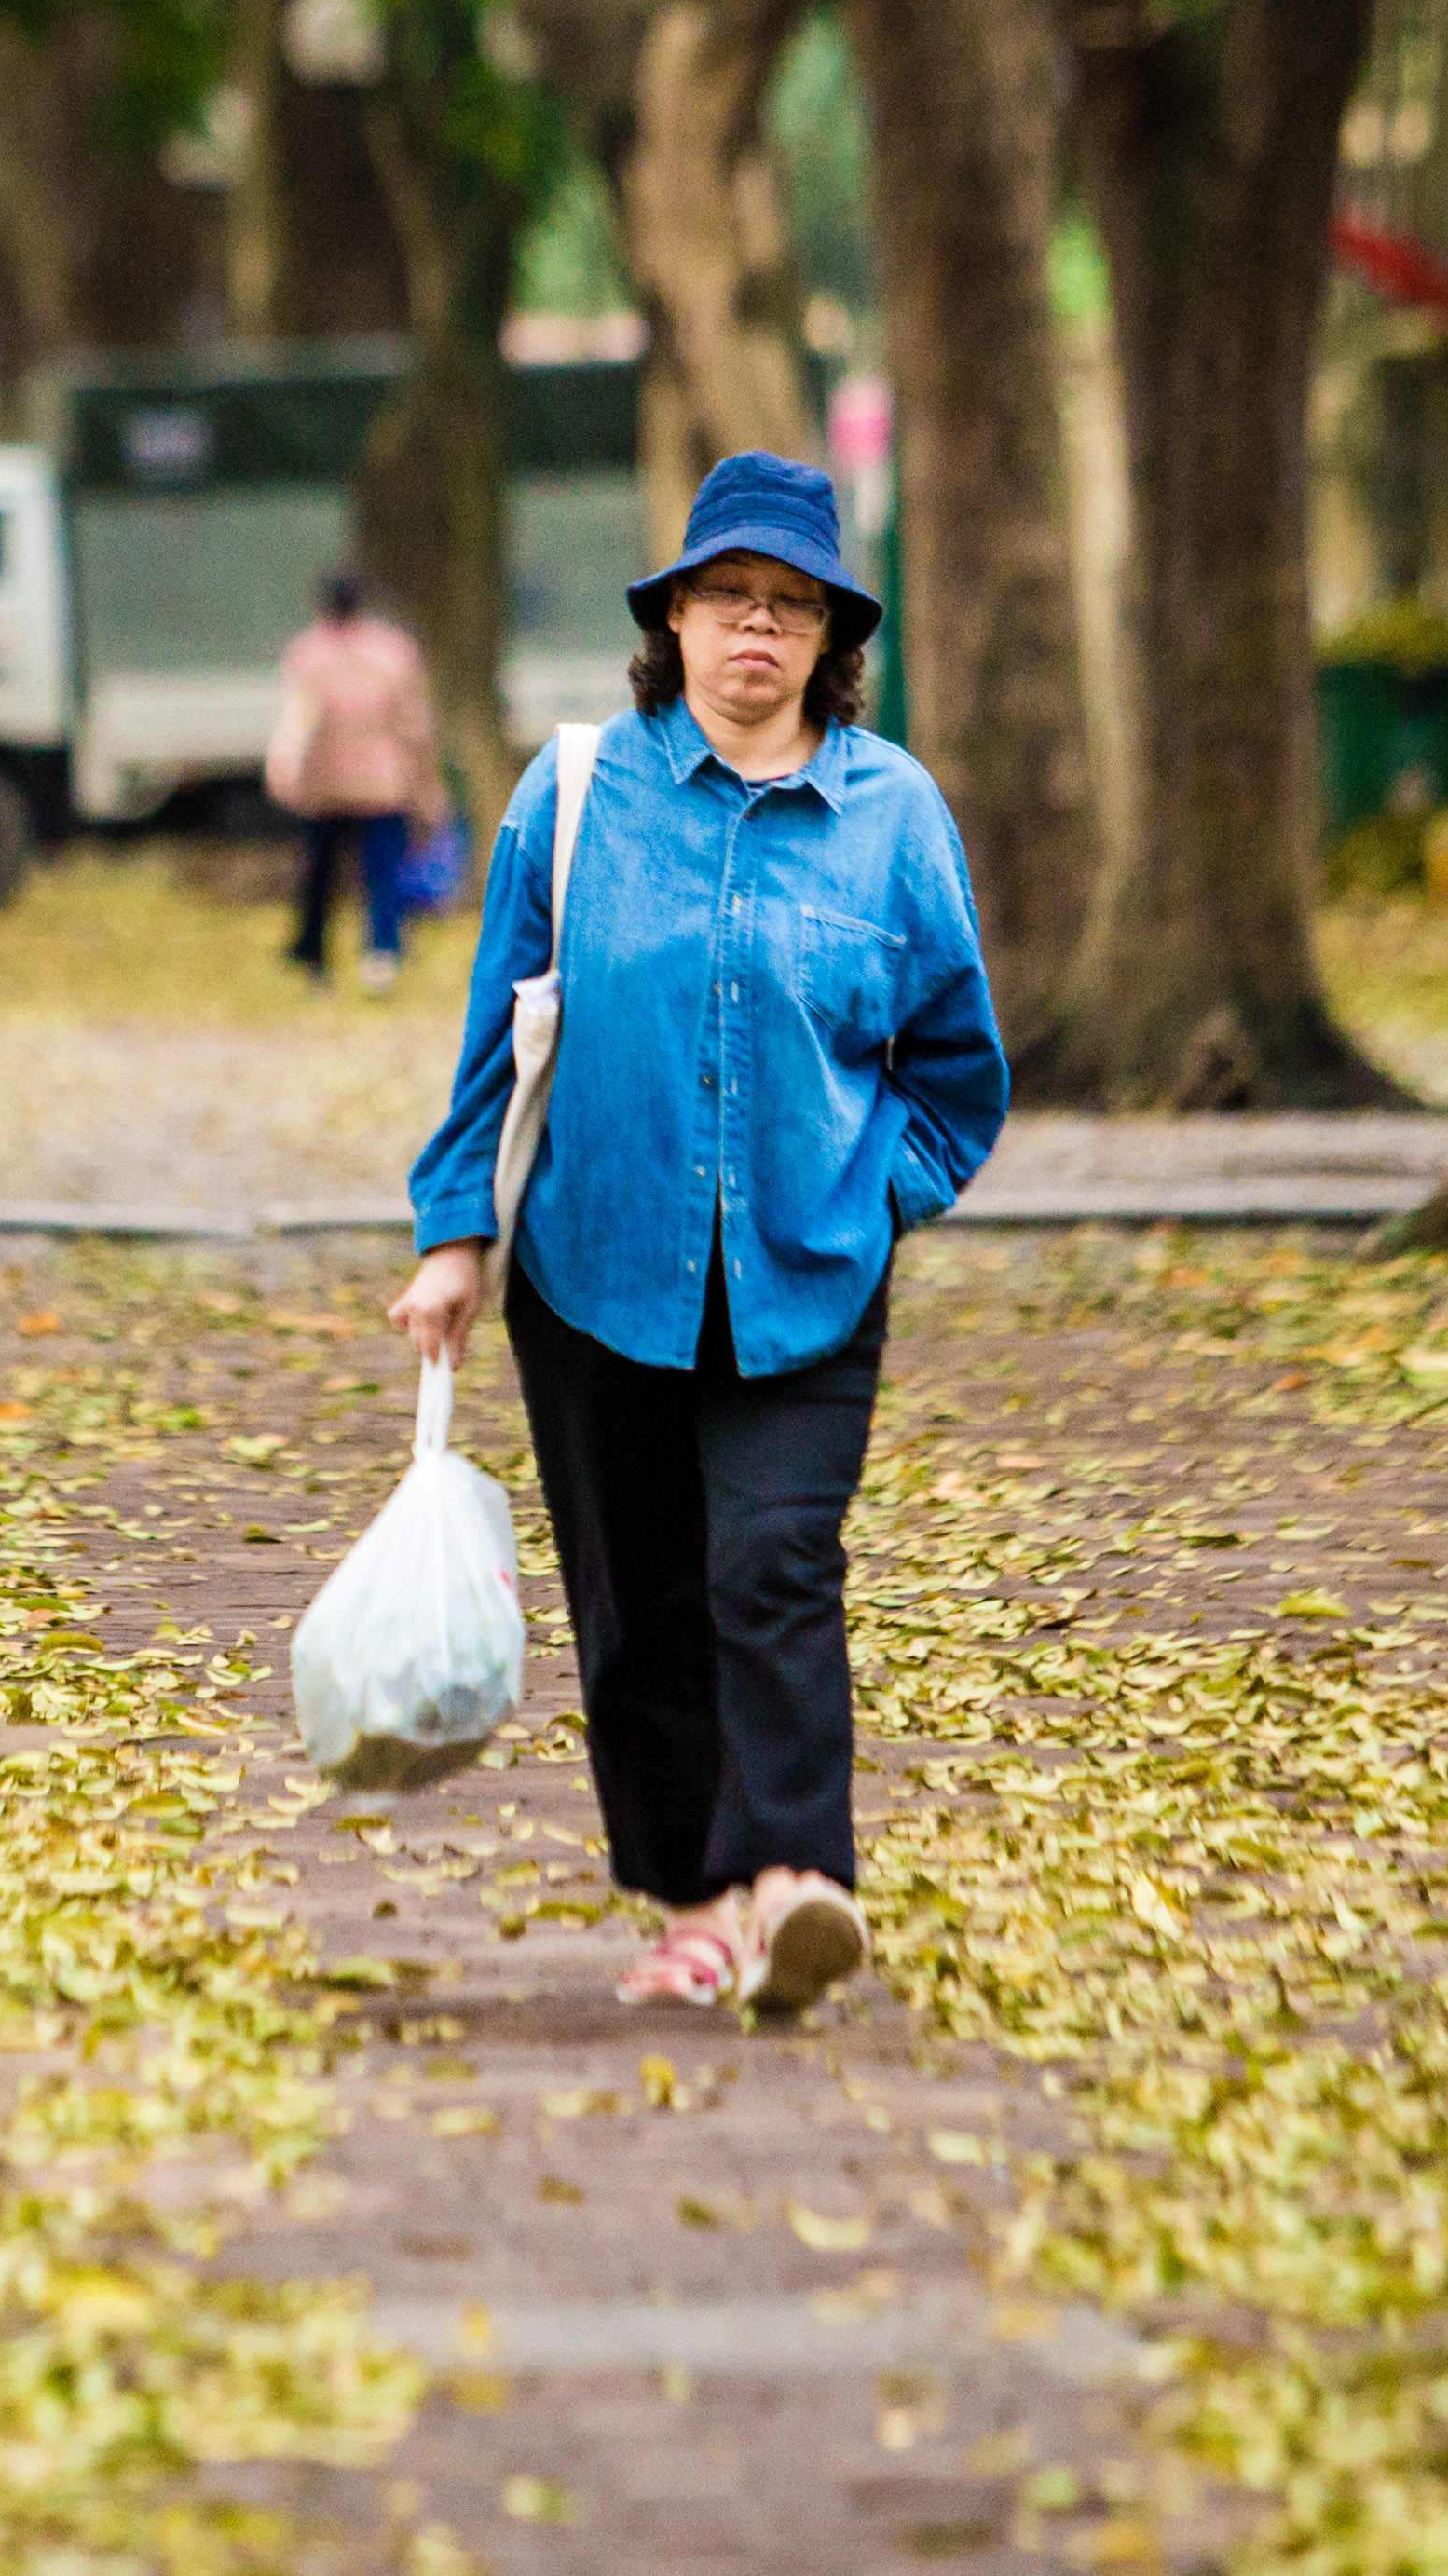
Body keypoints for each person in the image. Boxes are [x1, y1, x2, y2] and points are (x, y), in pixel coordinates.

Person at [389, 452, 1007, 2018]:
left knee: (774, 1562)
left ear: (828, 640)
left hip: (805, 1275)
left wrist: (877, 1199)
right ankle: (698, 1900)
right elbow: (498, 1031)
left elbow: (958, 1070)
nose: (756, 628)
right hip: (594, 1266)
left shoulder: (893, 817)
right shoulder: (577, 796)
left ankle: (800, 1880)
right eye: (728, 597)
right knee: (640, 1600)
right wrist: (451, 1233)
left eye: (790, 607)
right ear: (671, 618)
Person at [269, 568, 446, 992]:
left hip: (324, 784)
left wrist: (285, 774)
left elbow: (296, 722)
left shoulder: (306, 654)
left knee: (319, 875)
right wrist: (426, 782)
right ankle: (381, 954)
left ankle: (313, 956)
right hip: (382, 783)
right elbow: (414, 724)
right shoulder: (392, 651)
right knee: (383, 873)